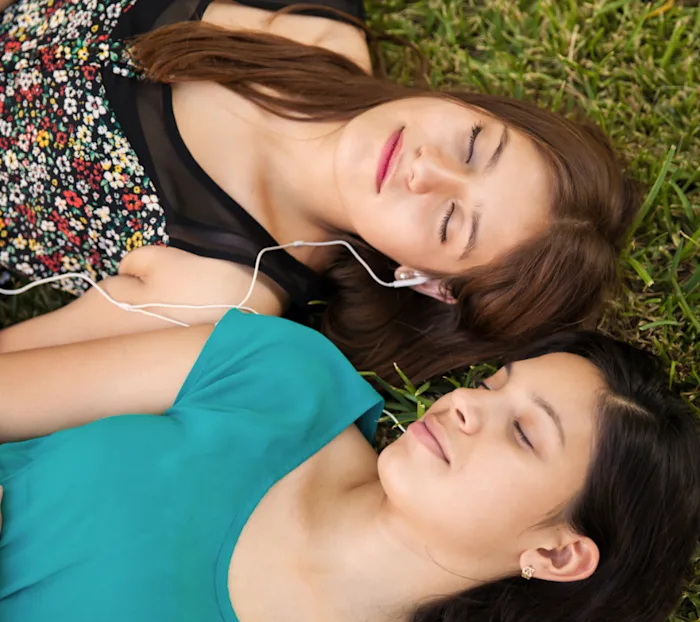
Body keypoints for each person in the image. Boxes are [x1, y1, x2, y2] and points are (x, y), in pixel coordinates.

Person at [0, 0, 640, 384]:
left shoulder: (225, 285)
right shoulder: (316, 20)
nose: (424, 169)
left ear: (427, 281)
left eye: (450, 221)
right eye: (474, 143)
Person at [0, 311, 700, 622]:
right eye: (492, 384)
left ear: (555, 553)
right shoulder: (285, 376)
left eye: (523, 433)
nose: (464, 405)